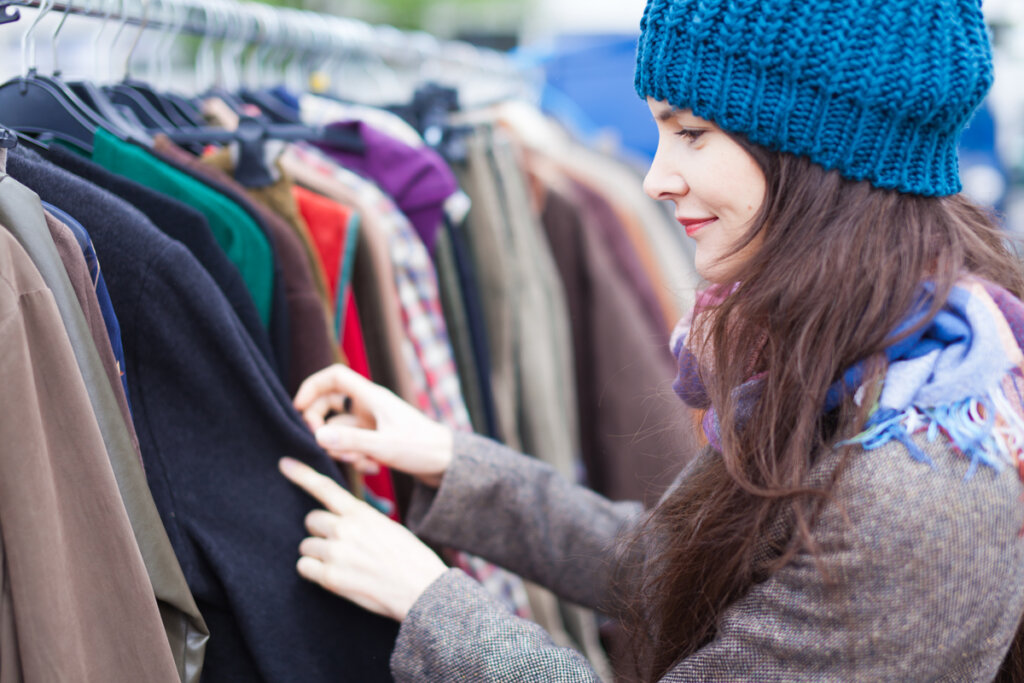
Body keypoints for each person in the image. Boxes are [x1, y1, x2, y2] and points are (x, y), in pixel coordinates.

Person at [278, 0, 1024, 679]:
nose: (656, 177)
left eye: (691, 133)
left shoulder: (916, 483)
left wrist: (432, 605)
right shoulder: (868, 359)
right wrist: (454, 465)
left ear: (818, 150)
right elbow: (687, 568)